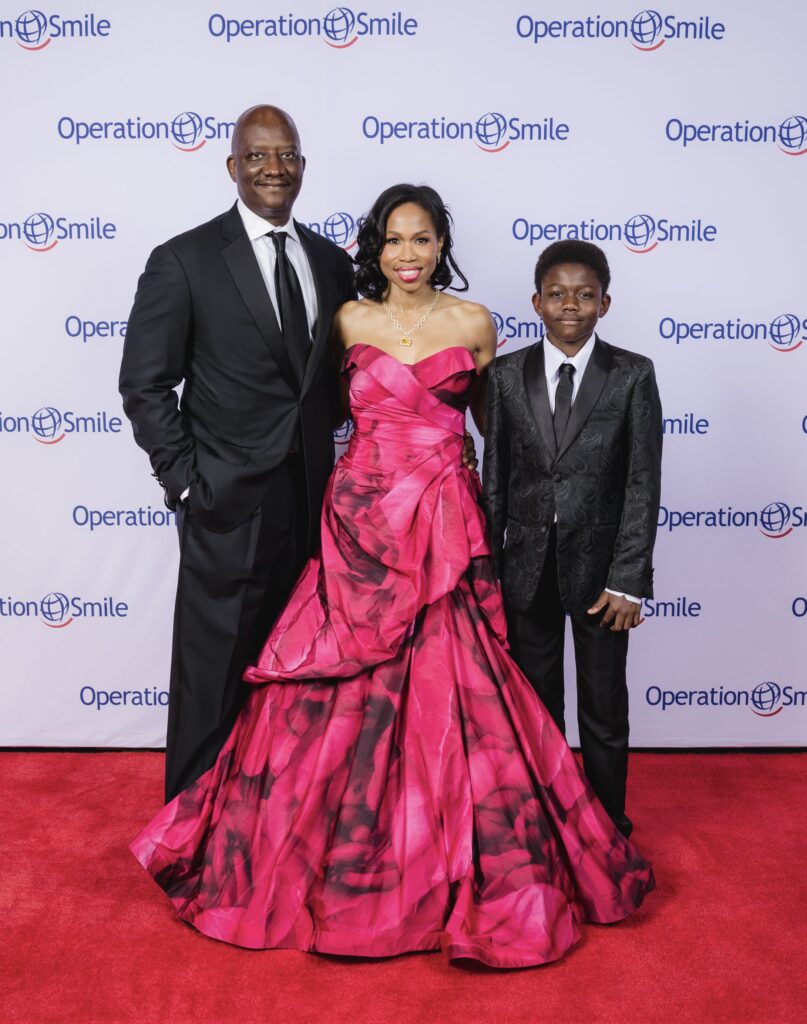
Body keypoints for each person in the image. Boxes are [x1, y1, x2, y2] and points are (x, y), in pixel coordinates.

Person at [130, 186, 654, 969]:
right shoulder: (344, 320)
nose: (407, 254)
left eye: (422, 238)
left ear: (442, 244)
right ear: (374, 249)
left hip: (443, 519)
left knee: (460, 685)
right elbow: (300, 407)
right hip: (361, 520)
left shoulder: (476, 325)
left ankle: (455, 850)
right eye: (393, 240)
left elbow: (500, 428)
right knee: (335, 689)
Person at [118, 105, 357, 801]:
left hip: (313, 504)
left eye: (285, 155)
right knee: (212, 675)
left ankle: (274, 823)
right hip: (226, 504)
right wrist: (189, 484)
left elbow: (334, 382)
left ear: (303, 167)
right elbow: (145, 382)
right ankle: (187, 836)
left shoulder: (331, 263)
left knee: (297, 677)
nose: (273, 169)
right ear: (232, 167)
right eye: (256, 156)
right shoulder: (184, 260)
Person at [482, 240, 663, 838]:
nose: (570, 306)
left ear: (605, 303)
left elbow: (642, 481)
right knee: (536, 708)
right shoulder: (506, 376)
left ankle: (608, 825)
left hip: (602, 576)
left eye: (585, 295)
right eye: (557, 294)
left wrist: (629, 581)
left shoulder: (633, 374)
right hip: (526, 573)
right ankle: (546, 824)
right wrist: (488, 571)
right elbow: (496, 481)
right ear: (536, 301)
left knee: (604, 708)